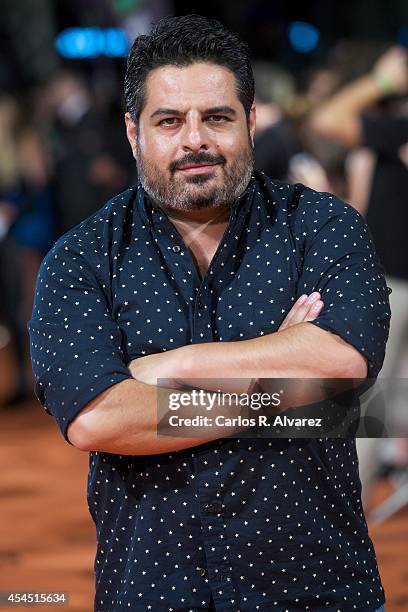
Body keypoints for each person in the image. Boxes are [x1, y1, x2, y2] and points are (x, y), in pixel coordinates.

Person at [28, 15, 390, 612]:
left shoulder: (324, 227)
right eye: (169, 121)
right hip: (153, 591)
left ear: (249, 121)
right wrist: (282, 385)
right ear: (132, 132)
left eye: (217, 118)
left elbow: (343, 363)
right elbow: (99, 419)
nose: (195, 140)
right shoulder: (81, 259)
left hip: (318, 589)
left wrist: (169, 367)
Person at [309, 45, 408, 490]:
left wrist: (383, 82)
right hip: (391, 281)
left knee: (375, 401)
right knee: (374, 401)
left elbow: (328, 118)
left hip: (392, 283)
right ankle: (352, 504)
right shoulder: (391, 132)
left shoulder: (393, 131)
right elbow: (327, 120)